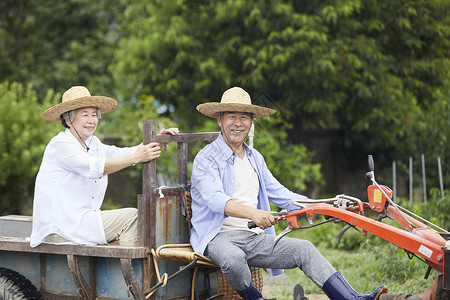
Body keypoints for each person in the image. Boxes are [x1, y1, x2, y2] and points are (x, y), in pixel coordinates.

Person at [190, 87, 387, 300]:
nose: (238, 123)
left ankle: (351, 298)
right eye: (231, 117)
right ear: (219, 120)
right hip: (219, 238)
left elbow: (282, 195)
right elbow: (215, 200)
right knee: (233, 258)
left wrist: (326, 206)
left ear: (251, 121)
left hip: (253, 238)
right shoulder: (206, 158)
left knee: (305, 248)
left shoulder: (255, 158)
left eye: (244, 117)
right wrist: (253, 214)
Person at [30, 86, 179, 247]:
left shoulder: (93, 143)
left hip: (79, 223)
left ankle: (127, 266)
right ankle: (130, 269)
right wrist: (136, 157)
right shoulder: (61, 144)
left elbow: (124, 153)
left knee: (133, 221)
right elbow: (96, 167)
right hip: (61, 227)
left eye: (94, 115)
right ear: (68, 119)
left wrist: (158, 140)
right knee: (133, 217)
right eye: (84, 115)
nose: (91, 120)